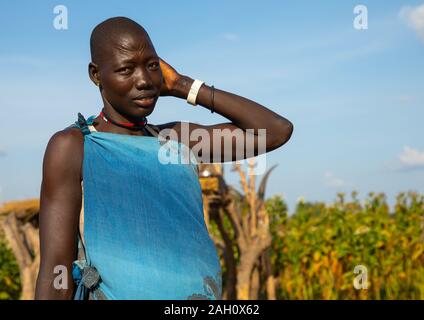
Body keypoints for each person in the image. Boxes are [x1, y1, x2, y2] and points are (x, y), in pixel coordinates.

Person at [35, 16, 294, 300]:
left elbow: (274, 132)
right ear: (96, 75)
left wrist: (184, 86)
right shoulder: (75, 146)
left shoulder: (176, 140)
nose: (144, 81)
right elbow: (55, 268)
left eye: (152, 66)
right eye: (126, 69)